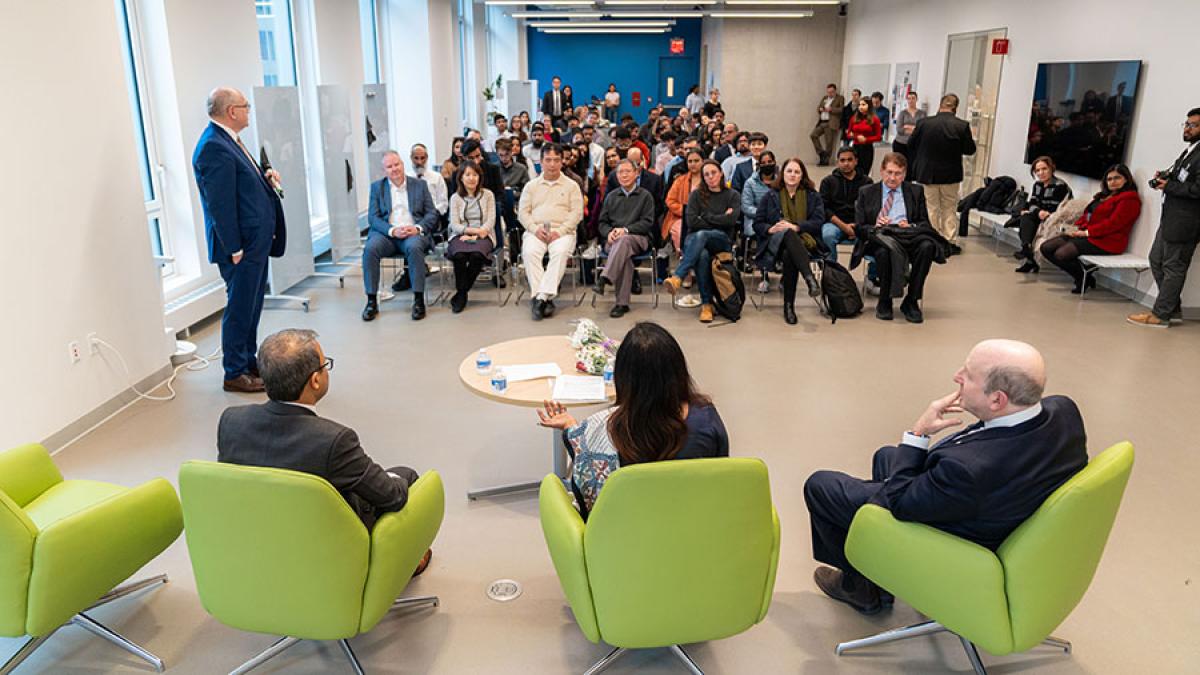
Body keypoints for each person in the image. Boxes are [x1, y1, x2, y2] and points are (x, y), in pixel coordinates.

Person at [803, 339, 1087, 614]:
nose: (957, 376)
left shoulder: (967, 469)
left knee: (821, 486)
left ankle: (858, 588)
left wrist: (919, 434)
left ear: (997, 399)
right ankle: (875, 570)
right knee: (886, 456)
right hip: (1003, 502)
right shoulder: (1063, 410)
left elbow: (900, 501)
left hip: (961, 541)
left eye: (968, 375)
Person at [217, 329, 434, 575]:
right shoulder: (334, 441)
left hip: (263, 541)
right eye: (324, 365)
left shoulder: (231, 422)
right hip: (327, 550)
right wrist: (389, 478)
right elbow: (391, 496)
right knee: (406, 477)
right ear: (315, 381)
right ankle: (405, 562)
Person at [536, 322, 728, 519]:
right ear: (678, 371)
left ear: (623, 378)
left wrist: (570, 426)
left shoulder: (609, 428)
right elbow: (721, 480)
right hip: (696, 531)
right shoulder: (706, 419)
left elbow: (591, 478)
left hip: (632, 538)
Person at [192, 87, 286, 393]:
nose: (249, 111)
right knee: (239, 307)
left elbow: (243, 182)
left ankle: (247, 360)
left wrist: (266, 174)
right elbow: (220, 206)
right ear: (232, 112)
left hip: (253, 242)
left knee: (251, 305)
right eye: (245, 106)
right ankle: (234, 371)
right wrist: (234, 247)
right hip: (239, 247)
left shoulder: (230, 140)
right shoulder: (212, 147)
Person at [1129, 107, 1200, 327]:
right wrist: (1166, 177)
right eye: (1186, 124)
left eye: (1194, 125)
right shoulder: (1191, 151)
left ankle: (1161, 315)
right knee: (1156, 260)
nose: (1187, 128)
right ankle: (1172, 308)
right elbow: (1182, 179)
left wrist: (1169, 185)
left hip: (1186, 222)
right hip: (1171, 218)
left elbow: (1197, 189)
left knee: (1173, 267)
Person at [853, 153, 943, 323]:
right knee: (884, 251)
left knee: (927, 247)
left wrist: (911, 226)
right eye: (889, 172)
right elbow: (859, 227)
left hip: (907, 236)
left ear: (905, 174)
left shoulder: (916, 191)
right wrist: (876, 225)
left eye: (898, 173)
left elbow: (925, 223)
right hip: (880, 237)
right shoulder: (867, 192)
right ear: (881, 171)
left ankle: (911, 300)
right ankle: (885, 299)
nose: (893, 178)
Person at [1040, 164, 1141, 294]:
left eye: (1117, 178)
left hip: (1108, 241)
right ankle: (1084, 276)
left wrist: (1087, 232)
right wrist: (1075, 228)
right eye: (1109, 179)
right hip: (1089, 235)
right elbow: (1087, 216)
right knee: (1046, 248)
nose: (1113, 182)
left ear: (1126, 179)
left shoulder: (1129, 199)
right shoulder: (1102, 196)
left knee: (1062, 254)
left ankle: (1081, 277)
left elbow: (1113, 224)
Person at [663, 160, 742, 324]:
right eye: (706, 174)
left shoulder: (732, 195)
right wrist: (720, 218)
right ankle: (706, 305)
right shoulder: (696, 195)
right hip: (694, 238)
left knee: (703, 234)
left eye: (713, 172)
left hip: (721, 240)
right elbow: (691, 222)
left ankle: (679, 275)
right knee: (703, 254)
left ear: (721, 173)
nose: (710, 177)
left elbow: (731, 221)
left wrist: (706, 217)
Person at [362, 151, 438, 322]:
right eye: (389, 166)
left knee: (414, 247)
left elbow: (432, 214)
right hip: (387, 234)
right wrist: (392, 230)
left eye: (397, 164)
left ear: (403, 164)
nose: (394, 169)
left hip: (412, 233)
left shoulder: (420, 185)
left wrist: (417, 228)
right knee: (370, 249)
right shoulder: (377, 187)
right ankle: (371, 301)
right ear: (384, 170)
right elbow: (373, 218)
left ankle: (418, 300)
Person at [752, 158, 825, 325]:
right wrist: (770, 229)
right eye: (789, 171)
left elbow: (818, 221)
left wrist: (796, 227)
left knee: (789, 253)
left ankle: (788, 306)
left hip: (806, 242)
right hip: (774, 243)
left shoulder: (813, 196)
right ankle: (809, 278)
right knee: (786, 234)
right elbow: (758, 223)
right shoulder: (771, 195)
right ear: (782, 174)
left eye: (797, 172)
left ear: (802, 176)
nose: (792, 175)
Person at [519, 143, 584, 321]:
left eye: (556, 160)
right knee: (530, 252)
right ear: (541, 162)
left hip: (563, 231)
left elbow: (576, 213)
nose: (552, 164)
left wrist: (560, 231)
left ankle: (539, 298)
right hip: (537, 230)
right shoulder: (531, 186)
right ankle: (544, 298)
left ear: (562, 162)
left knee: (560, 252)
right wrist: (534, 229)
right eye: (548, 160)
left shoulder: (572, 185)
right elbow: (523, 213)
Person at [908, 94, 976, 255]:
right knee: (949, 207)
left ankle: (931, 241)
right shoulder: (962, 125)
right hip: (950, 174)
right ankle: (949, 241)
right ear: (955, 107)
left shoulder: (924, 123)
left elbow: (911, 144)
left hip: (926, 173)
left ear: (940, 105)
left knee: (930, 207)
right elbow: (970, 150)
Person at [595, 160, 657, 318]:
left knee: (624, 242)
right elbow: (602, 222)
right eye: (620, 172)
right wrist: (608, 232)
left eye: (628, 171)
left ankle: (605, 277)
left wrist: (626, 230)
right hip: (614, 240)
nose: (624, 175)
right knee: (624, 255)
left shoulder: (645, 196)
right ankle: (621, 304)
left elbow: (647, 222)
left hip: (638, 238)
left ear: (636, 173)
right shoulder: (611, 196)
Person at [445, 161, 497, 313]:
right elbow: (454, 224)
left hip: (484, 234)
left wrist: (480, 233)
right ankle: (462, 293)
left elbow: (491, 220)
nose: (472, 178)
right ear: (461, 177)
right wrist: (470, 232)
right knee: (459, 256)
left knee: (476, 255)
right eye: (467, 175)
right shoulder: (455, 198)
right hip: (460, 234)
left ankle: (461, 293)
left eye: (475, 175)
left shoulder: (488, 195)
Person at [1012, 156, 1074, 273]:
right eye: (1037, 171)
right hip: (1039, 215)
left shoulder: (1060, 186)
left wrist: (1040, 211)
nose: (1041, 173)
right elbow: (1032, 204)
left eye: (1044, 169)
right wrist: (1037, 211)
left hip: (1054, 218)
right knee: (1025, 217)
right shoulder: (1038, 185)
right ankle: (1026, 248)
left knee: (1026, 220)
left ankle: (1028, 256)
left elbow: (1059, 209)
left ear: (1051, 168)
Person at [820, 148, 873, 263]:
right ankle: (832, 271)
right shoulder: (828, 182)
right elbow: (824, 209)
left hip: (859, 224)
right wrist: (844, 227)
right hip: (834, 223)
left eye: (850, 160)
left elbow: (870, 209)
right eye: (842, 160)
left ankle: (873, 276)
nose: (846, 163)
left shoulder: (867, 182)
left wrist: (857, 227)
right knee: (827, 235)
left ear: (856, 161)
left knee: (877, 237)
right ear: (838, 162)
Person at [663, 148, 704, 252]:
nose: (693, 164)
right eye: (690, 161)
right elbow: (670, 200)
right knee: (679, 231)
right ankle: (684, 257)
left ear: (703, 161)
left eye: (696, 161)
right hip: (679, 217)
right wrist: (686, 212)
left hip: (704, 218)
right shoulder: (679, 180)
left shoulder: (709, 179)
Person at [845, 98, 882, 178]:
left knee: (864, 173)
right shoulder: (854, 118)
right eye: (859, 105)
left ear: (869, 106)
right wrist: (856, 137)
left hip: (867, 148)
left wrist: (866, 139)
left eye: (863, 105)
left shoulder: (875, 119)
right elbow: (848, 134)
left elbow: (878, 137)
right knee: (853, 171)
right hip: (855, 147)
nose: (861, 107)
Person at [411, 143, 448, 220]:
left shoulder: (437, 177)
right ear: (411, 158)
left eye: (422, 158)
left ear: (427, 158)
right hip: (412, 218)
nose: (419, 162)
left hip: (432, 217)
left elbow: (443, 204)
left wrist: (431, 214)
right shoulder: (405, 178)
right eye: (416, 158)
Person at [811, 83, 845, 166]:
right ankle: (821, 153)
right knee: (813, 135)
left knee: (829, 142)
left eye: (831, 92)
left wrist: (831, 109)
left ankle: (826, 160)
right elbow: (819, 107)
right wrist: (820, 109)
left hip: (831, 122)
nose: (830, 94)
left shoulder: (840, 98)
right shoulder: (825, 98)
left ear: (835, 91)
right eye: (828, 92)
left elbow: (841, 110)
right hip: (822, 121)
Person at [891, 90, 926, 160]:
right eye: (909, 98)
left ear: (916, 99)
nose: (911, 100)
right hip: (900, 144)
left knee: (911, 167)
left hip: (914, 144)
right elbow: (899, 129)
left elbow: (923, 129)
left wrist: (907, 127)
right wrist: (915, 129)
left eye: (913, 98)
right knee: (900, 165)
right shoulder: (902, 113)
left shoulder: (922, 114)